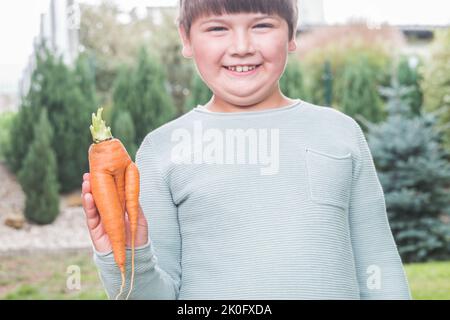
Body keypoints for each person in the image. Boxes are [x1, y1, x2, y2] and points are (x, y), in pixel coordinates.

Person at [81, 0, 411, 299]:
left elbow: (379, 268)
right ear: (186, 38)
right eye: (217, 28)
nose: (241, 47)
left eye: (262, 25)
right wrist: (123, 253)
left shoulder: (340, 133)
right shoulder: (161, 151)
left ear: (291, 34)